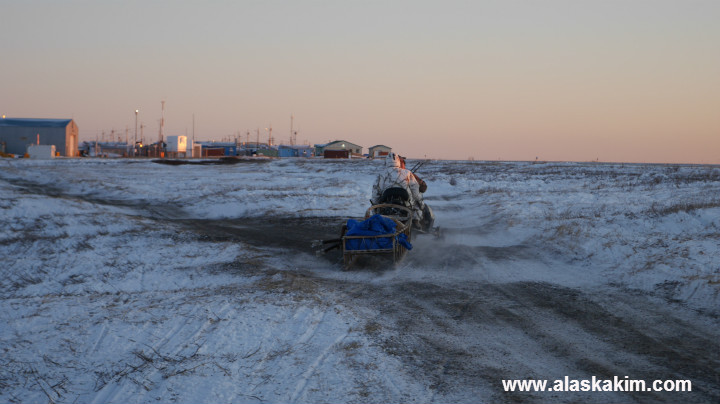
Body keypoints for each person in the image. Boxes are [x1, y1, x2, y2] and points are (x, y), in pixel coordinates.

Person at [371, 152, 434, 231]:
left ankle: (377, 221)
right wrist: (421, 204)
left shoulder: (380, 175)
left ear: (386, 162)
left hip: (385, 207)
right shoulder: (407, 173)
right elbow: (416, 193)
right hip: (406, 206)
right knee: (416, 202)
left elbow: (375, 193)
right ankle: (415, 221)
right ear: (398, 162)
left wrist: (375, 207)